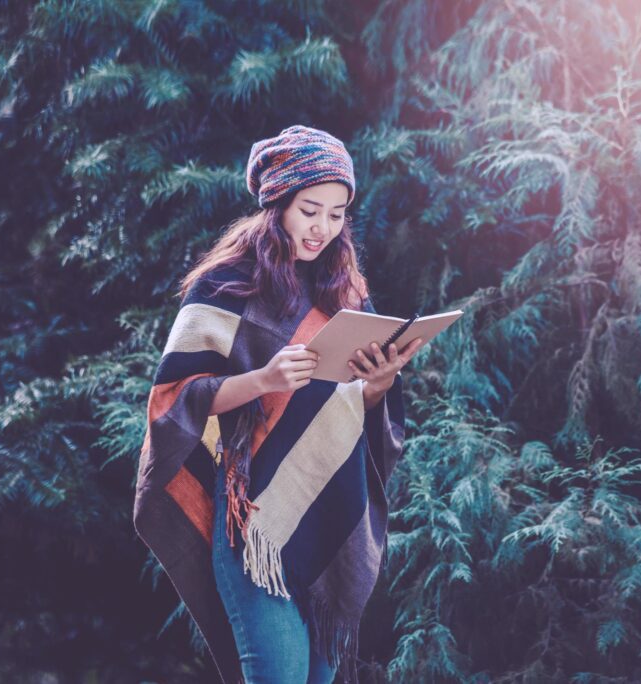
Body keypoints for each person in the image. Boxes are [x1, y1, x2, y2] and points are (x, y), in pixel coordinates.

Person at [133, 124, 424, 684]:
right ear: (278, 203)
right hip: (253, 520)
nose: (323, 228)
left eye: (337, 214)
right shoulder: (224, 285)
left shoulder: (345, 289)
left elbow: (352, 403)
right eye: (310, 210)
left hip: (327, 509)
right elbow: (176, 397)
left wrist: (380, 381)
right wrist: (263, 378)